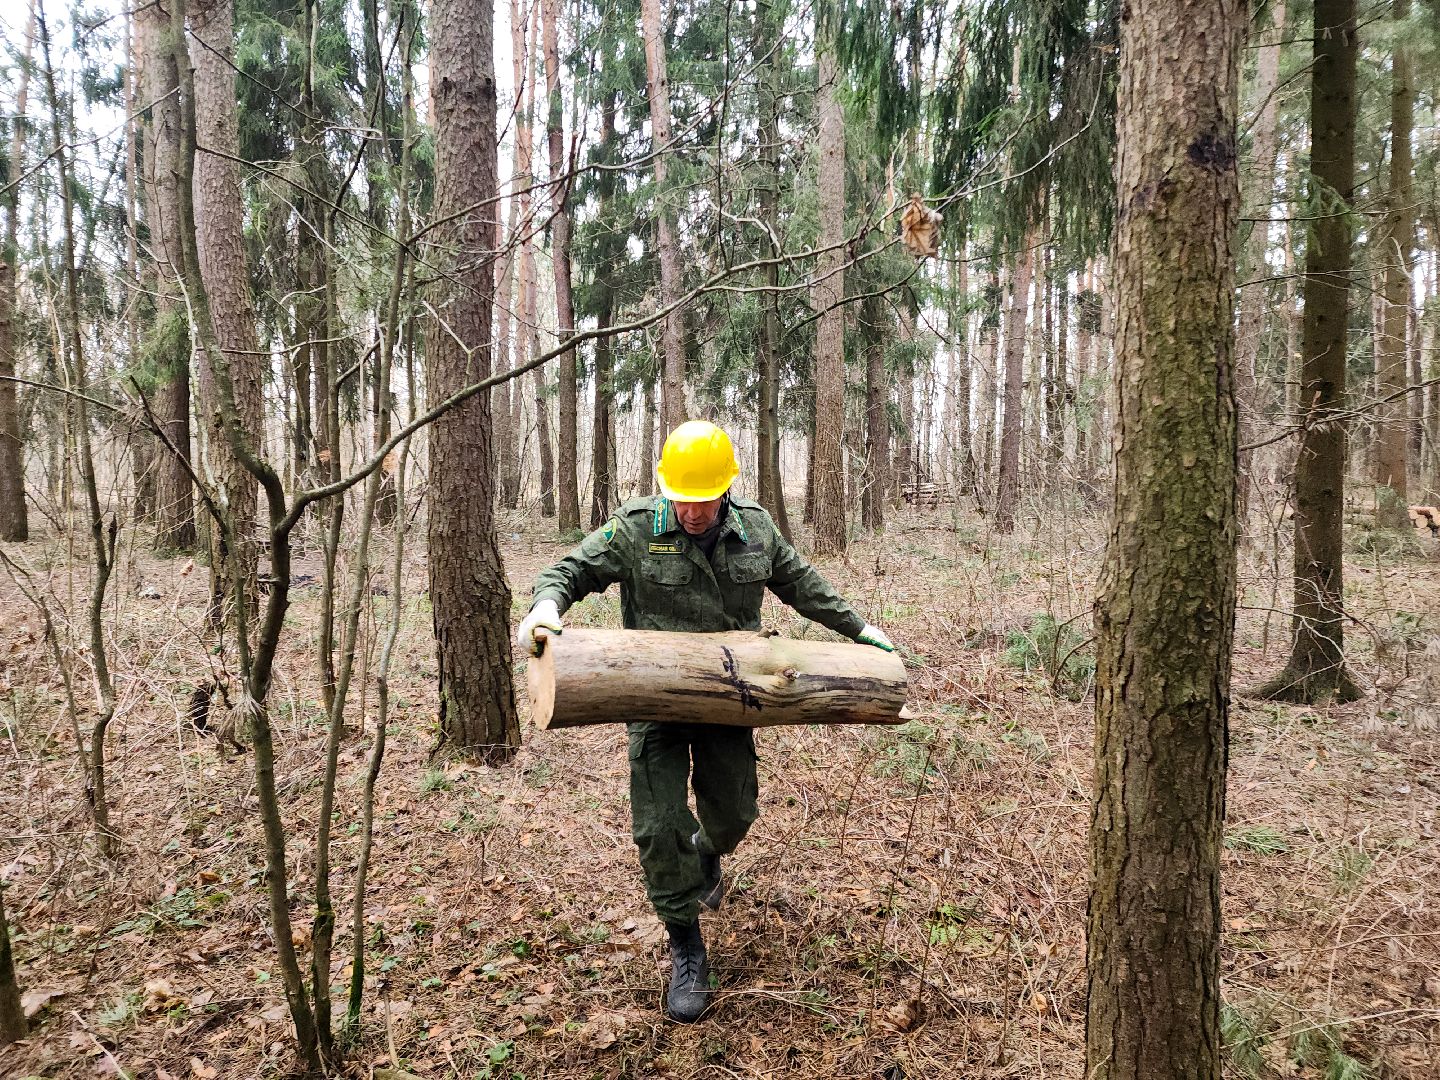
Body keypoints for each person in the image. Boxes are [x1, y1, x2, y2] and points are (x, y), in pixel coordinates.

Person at [516, 420, 894, 1022]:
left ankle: (709, 851)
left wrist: (861, 631)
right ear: (667, 489)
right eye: (681, 499)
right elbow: (571, 570)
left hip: (730, 698)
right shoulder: (636, 528)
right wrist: (543, 607)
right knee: (659, 826)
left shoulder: (757, 530)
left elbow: (802, 585)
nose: (692, 511)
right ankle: (685, 941)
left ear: (725, 490)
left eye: (703, 499)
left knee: (733, 814)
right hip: (652, 697)